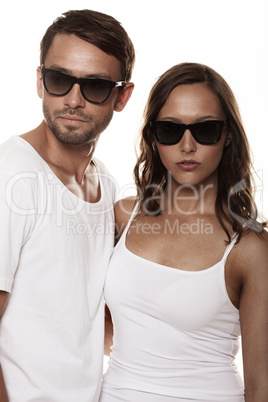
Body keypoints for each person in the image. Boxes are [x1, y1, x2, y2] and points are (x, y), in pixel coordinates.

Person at [100, 63, 268, 401]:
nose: (187, 146)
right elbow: (99, 326)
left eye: (205, 130)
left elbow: (260, 385)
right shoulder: (122, 215)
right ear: (153, 136)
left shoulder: (249, 247)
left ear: (228, 134)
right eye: (170, 130)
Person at [0, 9, 134, 402]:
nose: (73, 100)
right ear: (40, 81)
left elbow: (84, 322)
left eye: (94, 86)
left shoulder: (105, 183)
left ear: (122, 95)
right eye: (60, 79)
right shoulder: (12, 174)